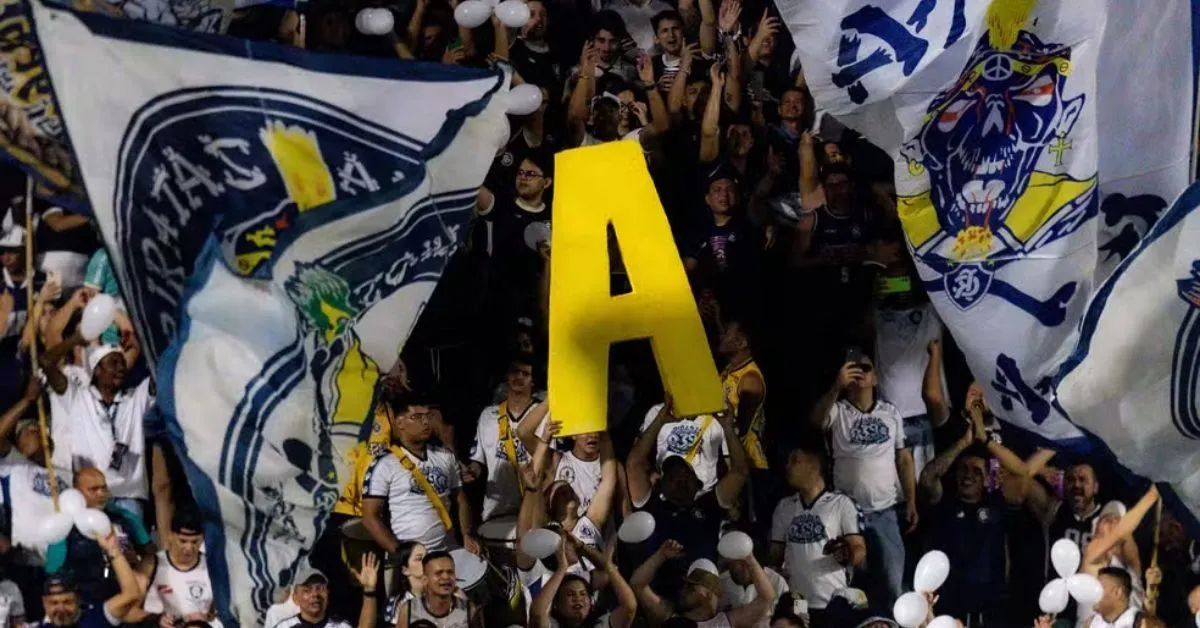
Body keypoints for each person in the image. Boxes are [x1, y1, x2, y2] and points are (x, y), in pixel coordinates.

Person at [810, 356, 915, 606]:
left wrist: (911, 501)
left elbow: (904, 460)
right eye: (853, 368)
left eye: (865, 368)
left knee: (893, 582)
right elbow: (815, 422)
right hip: (847, 515)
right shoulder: (838, 410)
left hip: (885, 511)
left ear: (875, 378)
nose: (859, 373)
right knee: (850, 587)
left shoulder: (890, 412)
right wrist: (837, 386)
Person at [630, 401, 749, 600]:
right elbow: (634, 463)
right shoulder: (650, 505)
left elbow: (740, 471)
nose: (680, 480)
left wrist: (727, 427)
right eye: (673, 476)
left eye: (686, 476)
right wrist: (660, 420)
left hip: (701, 600)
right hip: (658, 598)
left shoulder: (710, 505)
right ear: (661, 483)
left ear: (698, 484)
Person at [41, 328, 152, 519]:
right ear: (97, 370)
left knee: (127, 549)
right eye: (113, 363)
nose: (120, 367)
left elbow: (161, 372)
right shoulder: (77, 396)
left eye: (122, 363)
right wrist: (74, 339)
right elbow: (46, 362)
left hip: (128, 498)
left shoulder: (137, 397)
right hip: (89, 497)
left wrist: (142, 341)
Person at [362, 392, 480, 554]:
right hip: (413, 555)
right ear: (400, 422)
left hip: (448, 550)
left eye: (428, 416)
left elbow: (461, 500)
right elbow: (370, 517)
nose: (425, 422)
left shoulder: (445, 456)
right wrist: (401, 554)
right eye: (417, 417)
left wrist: (467, 534)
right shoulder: (385, 464)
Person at [768, 439, 865, 625]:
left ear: (813, 465)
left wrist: (847, 553)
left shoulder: (841, 504)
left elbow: (859, 549)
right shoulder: (784, 507)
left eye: (795, 460)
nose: (787, 466)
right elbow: (775, 555)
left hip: (833, 600)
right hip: (798, 601)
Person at [45, 467, 154, 608]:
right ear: (77, 492)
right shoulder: (65, 525)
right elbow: (53, 572)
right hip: (83, 599)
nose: (101, 494)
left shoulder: (125, 517)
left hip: (122, 595)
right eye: (94, 489)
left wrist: (137, 564)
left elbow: (150, 553)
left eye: (104, 488)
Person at [465, 354, 549, 524]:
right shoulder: (488, 415)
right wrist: (471, 472)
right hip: (496, 508)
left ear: (533, 381)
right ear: (507, 376)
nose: (519, 377)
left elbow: (552, 463)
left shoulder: (543, 415)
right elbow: (478, 461)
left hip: (534, 505)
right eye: (514, 372)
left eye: (525, 374)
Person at [632, 540, 776, 628]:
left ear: (709, 593)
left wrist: (749, 558)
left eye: (691, 587)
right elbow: (637, 585)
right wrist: (661, 555)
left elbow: (766, 599)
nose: (684, 590)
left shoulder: (727, 621)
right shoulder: (671, 618)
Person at [36, 531, 144, 628]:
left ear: (78, 600)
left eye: (67, 602)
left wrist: (113, 551)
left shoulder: (94, 620)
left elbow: (131, 595)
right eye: (54, 603)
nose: (61, 608)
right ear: (44, 604)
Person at [530, 532, 637, 628]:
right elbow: (537, 613)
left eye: (582, 594)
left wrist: (609, 567)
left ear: (591, 602)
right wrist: (562, 567)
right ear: (556, 605)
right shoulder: (552, 625)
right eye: (570, 594)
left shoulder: (601, 624)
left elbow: (629, 607)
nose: (578, 598)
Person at [142, 513, 219, 626]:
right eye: (183, 541)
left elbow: (219, 611)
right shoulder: (152, 564)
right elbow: (131, 611)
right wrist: (156, 619)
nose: (188, 548)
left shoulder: (212, 566)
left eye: (194, 542)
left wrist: (205, 617)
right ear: (171, 535)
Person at [273, 555, 379, 628]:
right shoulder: (285, 626)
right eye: (307, 590)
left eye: (320, 588)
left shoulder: (341, 626)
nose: (315, 594)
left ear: (328, 595)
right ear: (295, 598)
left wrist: (369, 589)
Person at [393, 551, 482, 628]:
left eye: (450, 572)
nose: (446, 577)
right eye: (438, 573)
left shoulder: (469, 610)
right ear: (425, 580)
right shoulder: (410, 609)